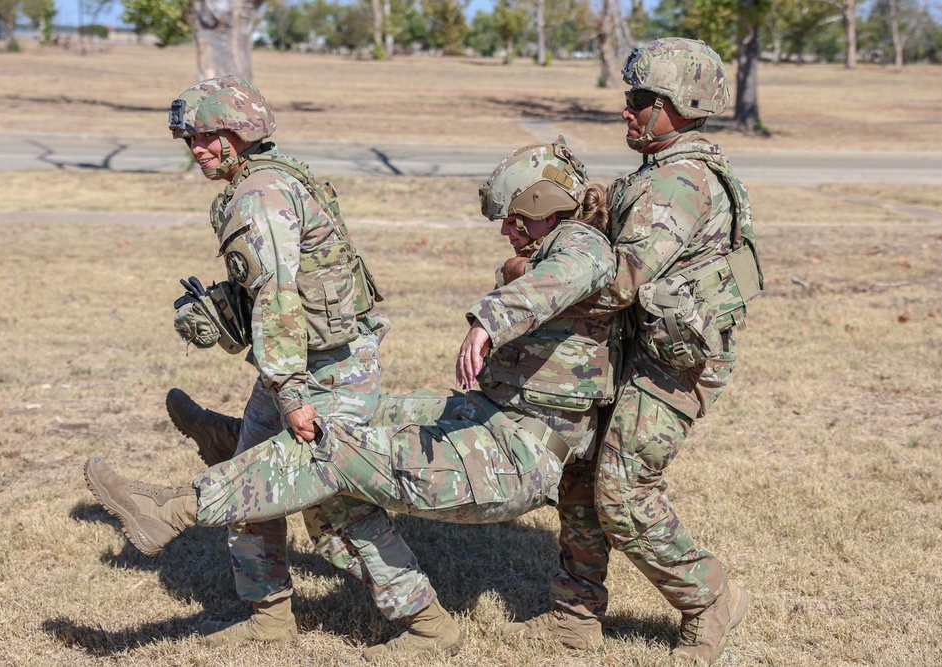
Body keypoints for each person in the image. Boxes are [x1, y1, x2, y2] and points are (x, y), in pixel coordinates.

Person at [82, 140, 623, 646]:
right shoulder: (552, 247)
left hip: (517, 458)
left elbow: (574, 271)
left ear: (548, 205)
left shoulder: (582, 246)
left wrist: (489, 319)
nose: (506, 229)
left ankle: (177, 507)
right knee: (344, 416)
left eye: (514, 218)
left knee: (331, 450)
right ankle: (252, 445)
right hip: (490, 419)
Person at [157, 75, 456, 659]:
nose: (196, 148)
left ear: (239, 135)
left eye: (207, 135)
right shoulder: (269, 179)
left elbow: (277, 296)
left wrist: (292, 394)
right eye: (189, 137)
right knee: (248, 477)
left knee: (337, 503)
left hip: (328, 371)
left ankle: (428, 626)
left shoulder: (260, 195)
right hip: (301, 362)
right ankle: (269, 618)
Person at [501, 38, 763, 666]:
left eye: (642, 100)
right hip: (637, 345)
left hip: (675, 362)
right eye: (629, 97)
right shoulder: (657, 171)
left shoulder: (680, 183)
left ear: (683, 106)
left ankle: (709, 598)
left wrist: (527, 277)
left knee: (621, 490)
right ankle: (577, 610)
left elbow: (618, 282)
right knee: (580, 471)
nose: (627, 110)